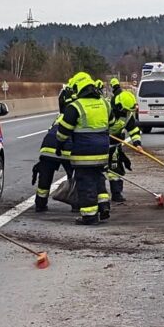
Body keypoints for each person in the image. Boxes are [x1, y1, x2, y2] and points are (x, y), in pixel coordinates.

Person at [55, 71, 111, 225]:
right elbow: (112, 124)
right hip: (103, 151)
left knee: (86, 183)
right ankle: (104, 206)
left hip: (84, 153)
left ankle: (89, 216)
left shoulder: (75, 107)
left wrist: (59, 146)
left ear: (78, 88)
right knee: (98, 177)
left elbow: (63, 132)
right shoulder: (105, 103)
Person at [32, 78, 77, 213]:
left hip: (47, 148)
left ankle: (40, 204)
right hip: (66, 148)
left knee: (45, 178)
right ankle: (76, 203)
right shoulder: (76, 115)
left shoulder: (59, 117)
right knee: (75, 176)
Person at [107, 87, 142, 204]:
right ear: (119, 106)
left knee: (115, 170)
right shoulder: (106, 110)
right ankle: (95, 196)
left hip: (114, 146)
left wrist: (137, 144)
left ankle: (116, 193)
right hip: (100, 145)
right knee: (96, 171)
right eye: (126, 110)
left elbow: (133, 130)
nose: (127, 113)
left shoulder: (127, 115)